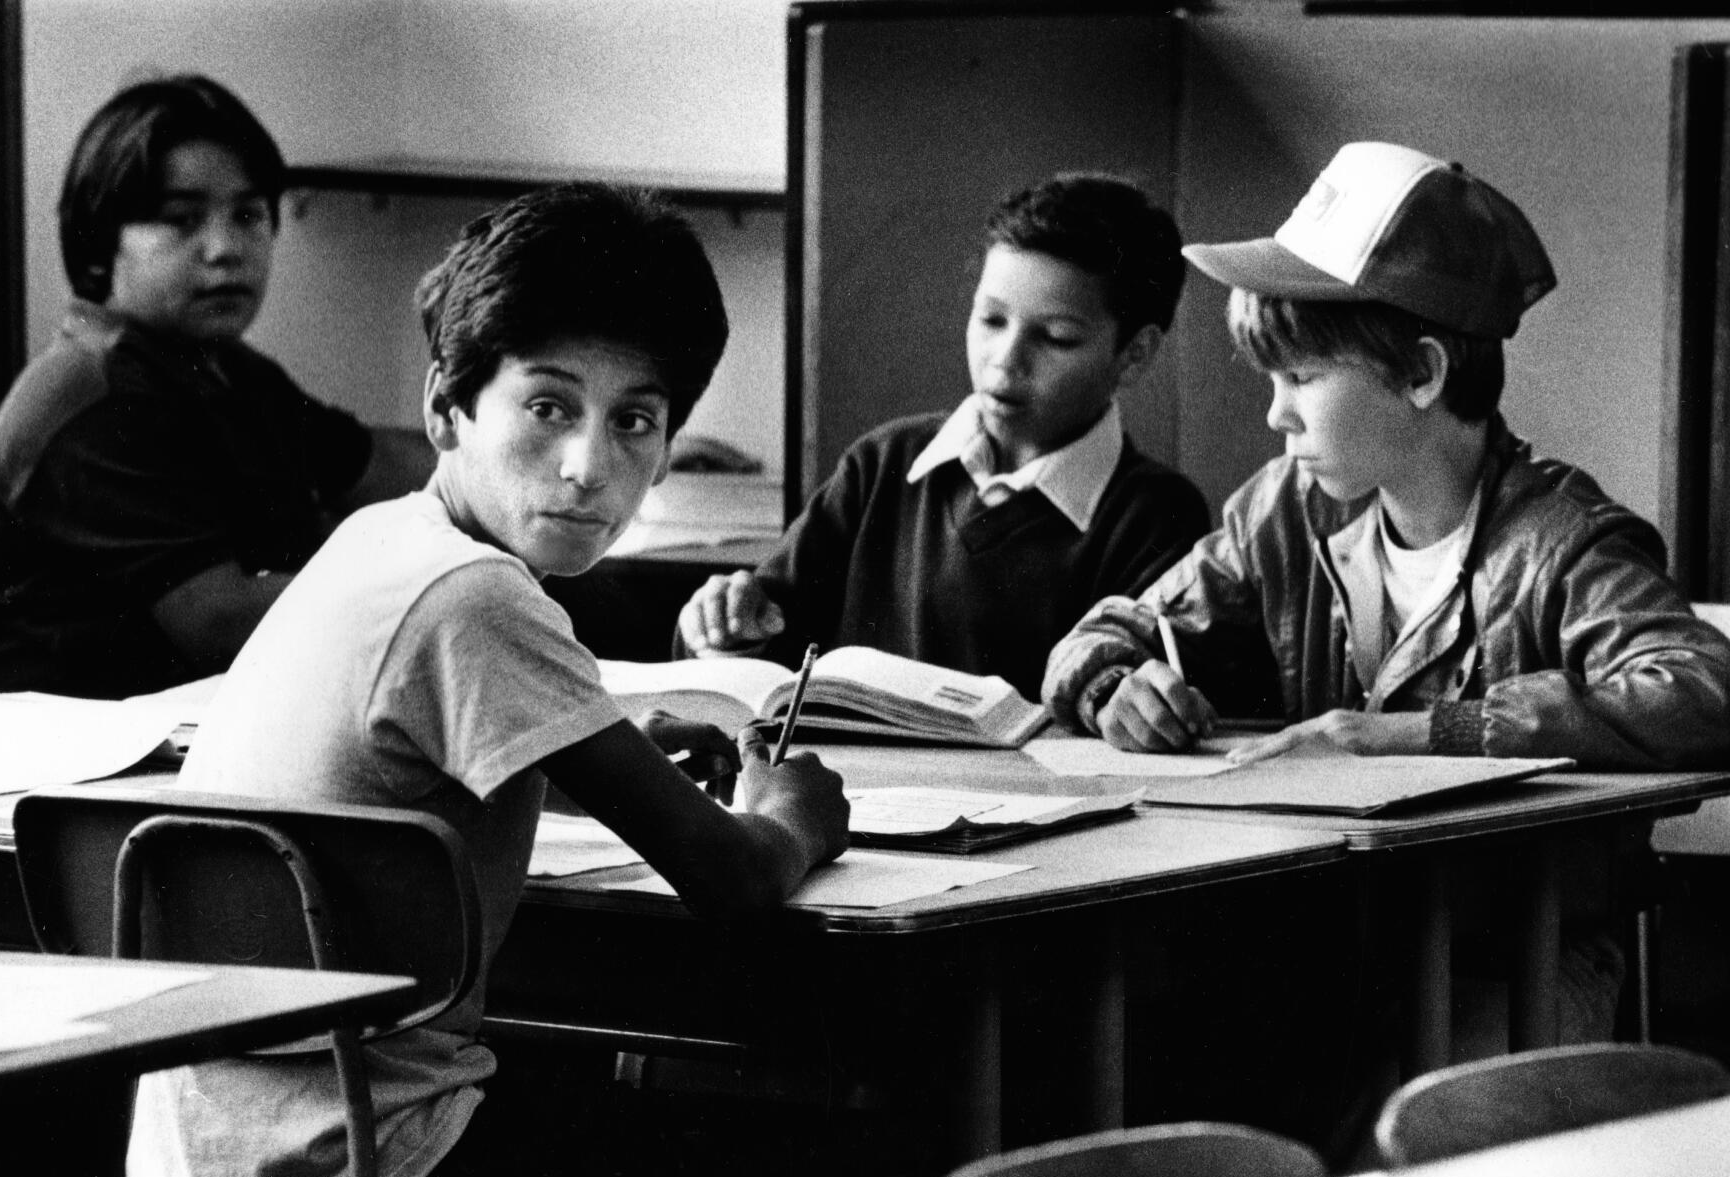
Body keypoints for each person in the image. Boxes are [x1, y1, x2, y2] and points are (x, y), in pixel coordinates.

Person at [124, 183, 851, 1177]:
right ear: (448, 409)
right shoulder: (478, 597)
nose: (586, 466)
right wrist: (793, 801)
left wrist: (605, 753)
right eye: (549, 408)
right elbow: (735, 877)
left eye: (634, 421)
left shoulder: (381, 540)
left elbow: (409, 759)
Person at [1042, 140, 1730, 771]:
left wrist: (1431, 732)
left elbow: (1702, 691)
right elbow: (1106, 635)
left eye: (1302, 378)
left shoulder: (1561, 546)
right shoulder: (1283, 510)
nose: (1276, 413)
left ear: (1421, 375)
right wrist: (1113, 688)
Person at [0, 75, 435, 699]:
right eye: (182, 221)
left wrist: (508, 462)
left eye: (248, 215)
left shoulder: (220, 368)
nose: (225, 249)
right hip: (83, 753)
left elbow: (377, 465)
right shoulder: (99, 395)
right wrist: (436, 585)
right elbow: (219, 621)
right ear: (102, 244)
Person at [677, 172, 1210, 702]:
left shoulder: (1156, 515)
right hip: (858, 786)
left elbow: (1142, 703)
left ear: (1134, 355)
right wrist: (723, 623)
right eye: (991, 319)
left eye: (1057, 338)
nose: (1006, 360)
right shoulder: (882, 463)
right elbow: (764, 640)